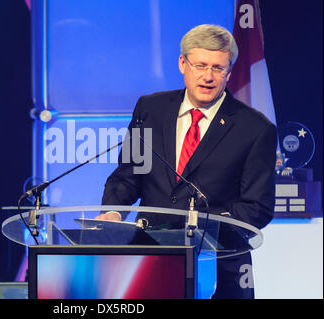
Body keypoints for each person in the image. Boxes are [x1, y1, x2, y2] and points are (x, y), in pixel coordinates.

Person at [96, 24, 277, 299]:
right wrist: (113, 212)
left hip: (217, 266)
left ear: (229, 72)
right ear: (183, 63)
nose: (208, 76)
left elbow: (257, 208)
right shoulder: (151, 109)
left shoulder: (255, 128)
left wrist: (202, 227)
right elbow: (129, 174)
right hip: (150, 261)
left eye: (218, 68)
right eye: (200, 65)